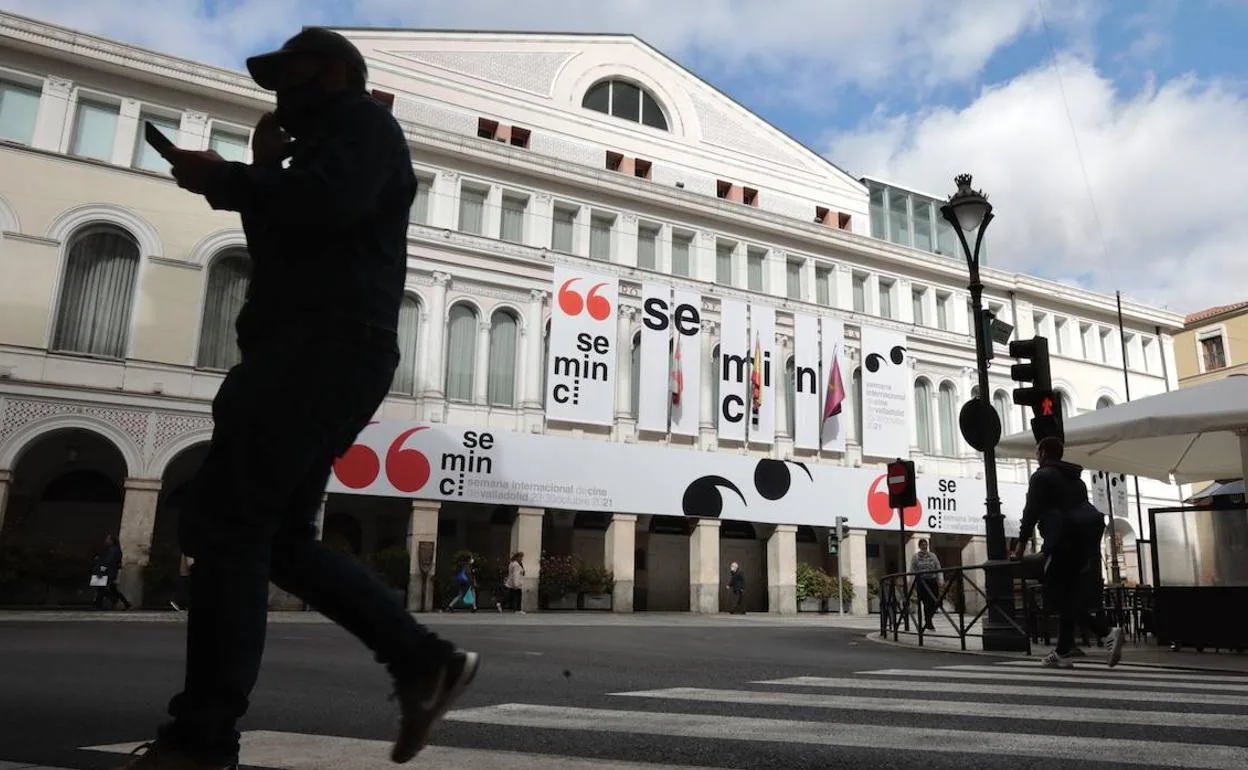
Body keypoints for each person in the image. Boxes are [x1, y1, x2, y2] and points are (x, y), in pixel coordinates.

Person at [117, 28, 477, 770]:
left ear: (337, 72)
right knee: (274, 535)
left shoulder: (362, 126)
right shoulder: (322, 147)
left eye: (292, 71)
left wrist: (228, 177)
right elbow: (285, 235)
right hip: (315, 345)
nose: (280, 88)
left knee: (226, 519)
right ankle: (421, 659)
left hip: (319, 344)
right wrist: (255, 171)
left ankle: (203, 736)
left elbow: (327, 206)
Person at [1014, 436, 1124, 669]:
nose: (1036, 456)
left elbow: (1031, 510)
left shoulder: (1041, 477)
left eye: (1037, 452)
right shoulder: (1077, 481)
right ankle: (1063, 652)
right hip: (1081, 545)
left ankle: (1105, 632)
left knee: (1055, 595)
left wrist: (1021, 543)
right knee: (1069, 596)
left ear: (1043, 452)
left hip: (1060, 543)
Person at [92, 534, 132, 610]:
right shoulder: (114, 550)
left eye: (108, 539)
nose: (106, 540)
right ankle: (125, 603)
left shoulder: (113, 550)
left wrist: (101, 570)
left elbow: (108, 562)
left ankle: (99, 604)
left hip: (108, 572)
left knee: (100, 588)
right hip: (112, 572)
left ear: (112, 541)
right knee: (111, 589)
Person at [909, 538, 941, 631]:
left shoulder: (932, 556)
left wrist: (940, 580)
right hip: (922, 582)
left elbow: (938, 566)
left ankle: (928, 620)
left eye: (925, 545)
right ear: (919, 546)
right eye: (922, 545)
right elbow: (912, 569)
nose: (924, 546)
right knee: (926, 603)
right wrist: (911, 582)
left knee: (935, 602)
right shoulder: (915, 557)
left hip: (932, 581)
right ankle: (929, 623)